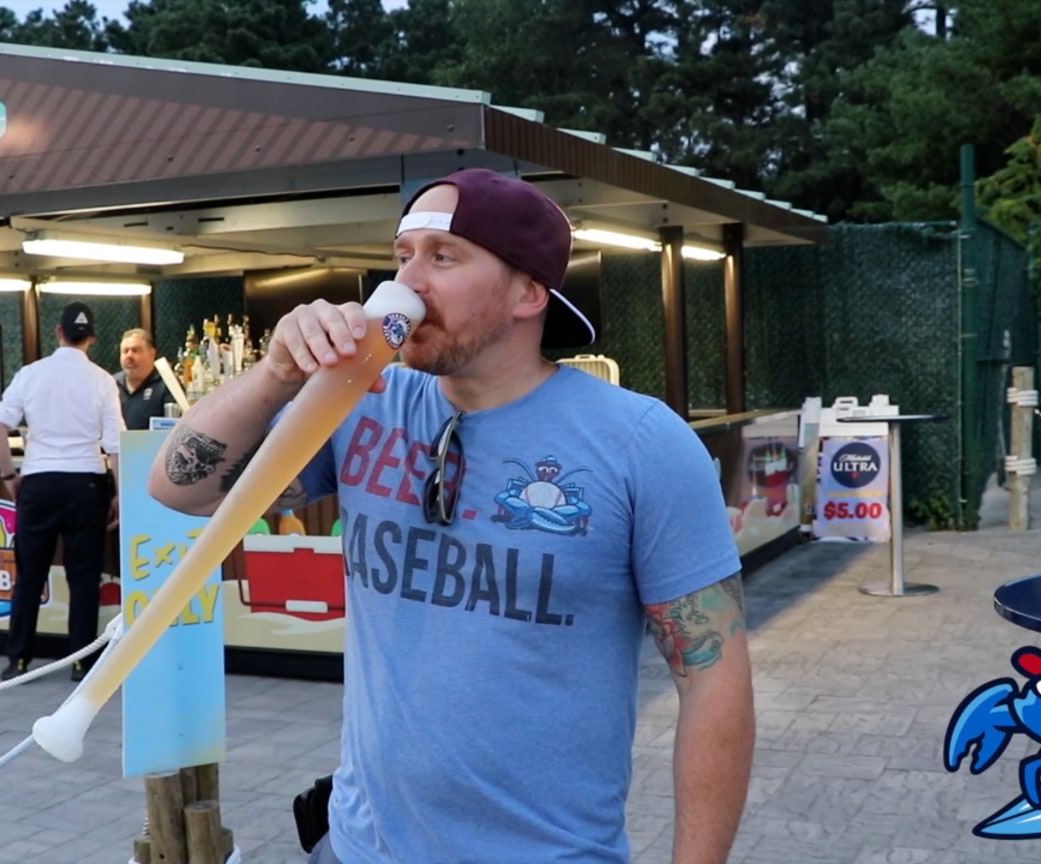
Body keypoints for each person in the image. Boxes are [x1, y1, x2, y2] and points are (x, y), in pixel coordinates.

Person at [148, 169, 755, 864]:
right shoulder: (359, 401)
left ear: (529, 293)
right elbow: (179, 489)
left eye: (443, 255)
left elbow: (713, 677)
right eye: (403, 254)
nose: (408, 281)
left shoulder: (640, 445)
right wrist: (277, 372)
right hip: (354, 847)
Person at [0, 301, 124, 683]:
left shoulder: (31, 374)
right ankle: (81, 662)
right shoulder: (102, 380)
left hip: (39, 482)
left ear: (58, 333)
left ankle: (18, 660)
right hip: (86, 483)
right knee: (83, 578)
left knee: (30, 576)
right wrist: (119, 494)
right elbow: (115, 445)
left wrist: (9, 477)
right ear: (92, 338)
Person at [115, 328, 175, 430]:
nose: (129, 356)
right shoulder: (111, 385)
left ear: (152, 354)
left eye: (135, 350)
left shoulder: (167, 385)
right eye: (125, 351)